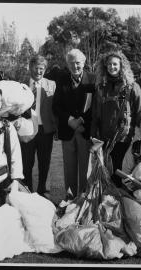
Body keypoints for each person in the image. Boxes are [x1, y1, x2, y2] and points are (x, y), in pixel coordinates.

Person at [91, 49, 141, 187]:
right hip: (104, 141)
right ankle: (108, 202)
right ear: (105, 67)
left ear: (122, 66)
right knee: (105, 175)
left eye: (115, 64)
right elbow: (95, 115)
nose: (112, 67)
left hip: (124, 139)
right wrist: (93, 137)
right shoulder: (100, 88)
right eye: (109, 64)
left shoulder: (132, 87)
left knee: (121, 174)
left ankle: (121, 203)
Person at [52, 49, 95, 200]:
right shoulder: (62, 80)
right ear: (67, 64)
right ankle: (70, 199)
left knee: (85, 169)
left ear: (83, 63)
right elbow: (56, 106)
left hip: (85, 130)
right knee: (69, 168)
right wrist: (70, 120)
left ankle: (83, 199)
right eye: (71, 63)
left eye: (78, 62)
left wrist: (81, 120)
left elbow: (95, 106)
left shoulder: (92, 79)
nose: (75, 66)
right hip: (68, 130)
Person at [20, 55, 57, 197]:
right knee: (26, 163)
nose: (38, 71)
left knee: (45, 163)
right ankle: (26, 192)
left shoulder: (52, 85)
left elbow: (56, 108)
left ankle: (44, 193)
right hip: (27, 129)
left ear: (45, 69)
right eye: (36, 68)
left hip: (45, 130)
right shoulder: (21, 85)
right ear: (30, 68)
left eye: (41, 69)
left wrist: (56, 128)